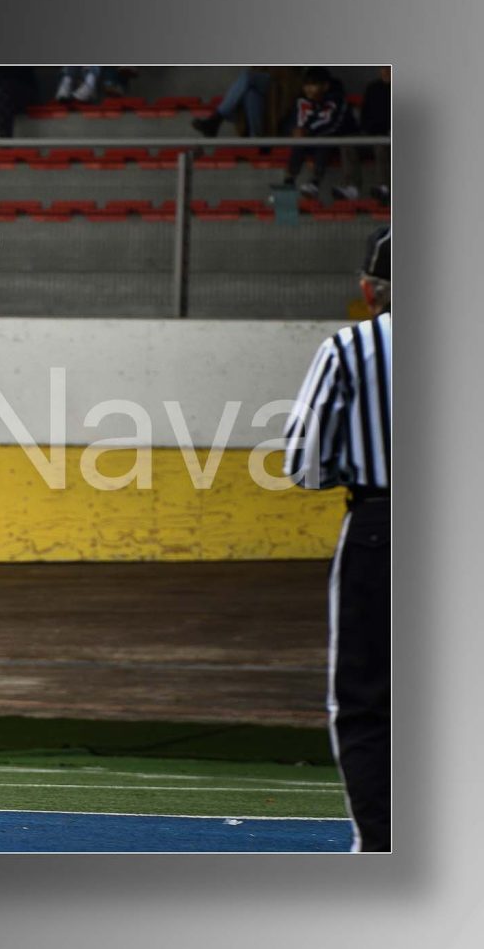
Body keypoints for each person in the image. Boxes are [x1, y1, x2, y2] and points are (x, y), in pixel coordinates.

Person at [282, 226, 391, 852]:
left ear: (370, 290)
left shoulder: (350, 348)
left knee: (365, 699)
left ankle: (380, 848)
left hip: (379, 526)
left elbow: (304, 462)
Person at [273, 66, 361, 201]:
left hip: (337, 140)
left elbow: (333, 125)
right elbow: (294, 122)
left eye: (313, 84)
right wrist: (295, 130)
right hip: (312, 140)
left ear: (325, 86)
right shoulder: (303, 101)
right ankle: (288, 182)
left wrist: (308, 132)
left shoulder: (337, 100)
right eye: (306, 85)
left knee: (322, 142)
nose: (308, 89)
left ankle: (314, 182)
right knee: (300, 144)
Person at [360, 66, 391, 204]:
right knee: (347, 144)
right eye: (383, 68)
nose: (386, 71)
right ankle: (351, 187)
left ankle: (383, 187)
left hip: (391, 138)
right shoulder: (372, 88)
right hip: (372, 134)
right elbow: (364, 116)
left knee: (380, 146)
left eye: (389, 68)